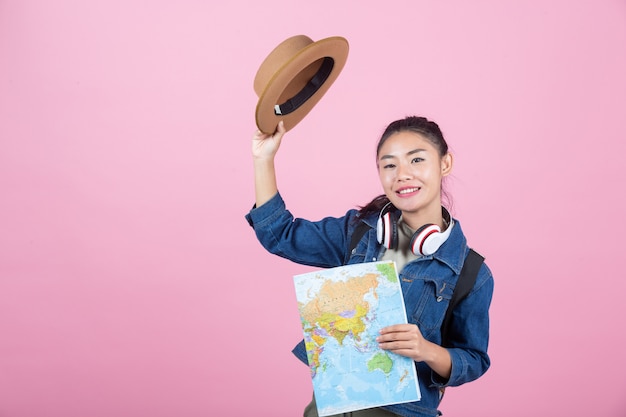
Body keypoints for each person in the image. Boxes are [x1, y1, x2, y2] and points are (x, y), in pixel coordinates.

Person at [245, 116, 494, 417]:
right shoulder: (358, 232)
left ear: (445, 164)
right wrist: (263, 158)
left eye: (416, 160)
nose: (402, 174)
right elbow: (280, 235)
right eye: (389, 165)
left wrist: (427, 350)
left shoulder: (471, 272)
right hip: (329, 407)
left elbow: (474, 359)